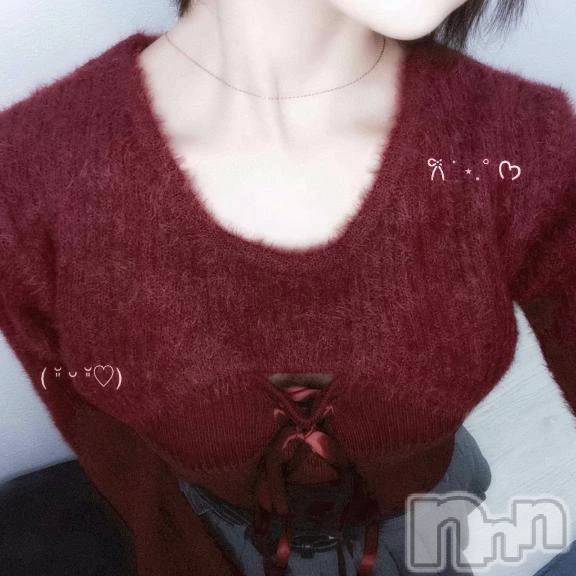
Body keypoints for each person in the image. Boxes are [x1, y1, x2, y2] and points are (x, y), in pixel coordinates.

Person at [1, 0, 574, 575]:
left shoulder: (516, 144)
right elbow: (95, 426)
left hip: (429, 498)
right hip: (236, 538)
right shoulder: (28, 183)